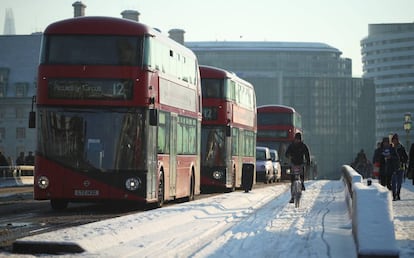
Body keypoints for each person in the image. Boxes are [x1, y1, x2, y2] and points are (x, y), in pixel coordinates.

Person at [285, 132, 311, 204]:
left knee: (302, 174)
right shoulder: (291, 146)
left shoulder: (303, 146)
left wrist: (308, 162)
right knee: (292, 181)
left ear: (300, 139)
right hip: (293, 163)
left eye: (298, 139)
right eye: (296, 139)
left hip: (301, 163)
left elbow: (307, 155)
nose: (297, 141)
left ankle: (302, 183)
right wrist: (288, 156)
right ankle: (292, 197)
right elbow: (286, 153)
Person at [391, 134, 408, 200]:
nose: (394, 141)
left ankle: (398, 193)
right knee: (393, 181)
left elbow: (406, 157)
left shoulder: (401, 148)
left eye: (396, 140)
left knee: (399, 182)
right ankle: (394, 195)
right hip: (393, 168)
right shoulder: (391, 148)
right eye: (393, 140)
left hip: (401, 167)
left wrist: (402, 160)